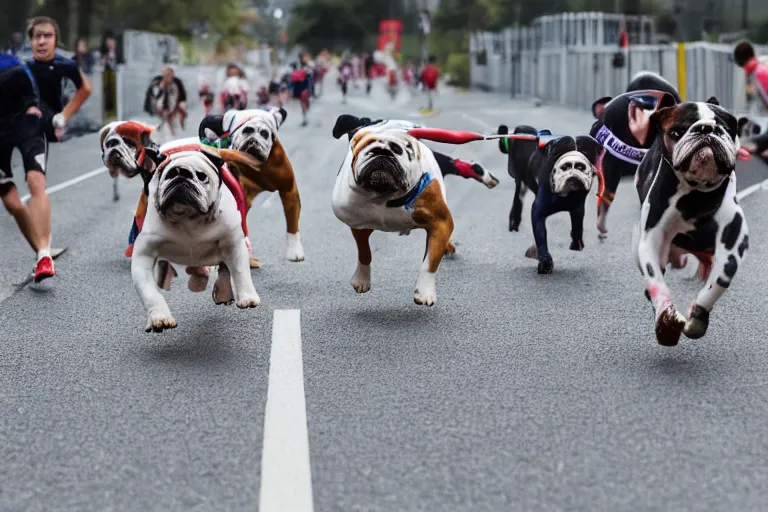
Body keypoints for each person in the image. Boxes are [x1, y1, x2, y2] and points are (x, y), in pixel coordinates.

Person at [23, 16, 92, 281]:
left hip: (39, 128)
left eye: (47, 36)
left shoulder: (65, 65)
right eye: (37, 36)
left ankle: (43, 256)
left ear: (55, 39)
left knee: (34, 183)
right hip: (14, 128)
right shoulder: (22, 68)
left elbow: (85, 89)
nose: (41, 41)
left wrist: (65, 115)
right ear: (30, 40)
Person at [0, 53, 55, 281]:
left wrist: (32, 103)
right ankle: (42, 255)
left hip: (26, 124)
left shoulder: (9, 63)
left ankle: (44, 254)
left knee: (35, 182)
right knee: (12, 203)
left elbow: (29, 81)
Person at [143, 65, 187, 133]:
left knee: (174, 129)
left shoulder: (176, 85)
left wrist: (178, 110)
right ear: (163, 75)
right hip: (159, 112)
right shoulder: (157, 85)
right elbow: (155, 99)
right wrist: (162, 89)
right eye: (167, 75)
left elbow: (179, 98)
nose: (169, 78)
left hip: (172, 111)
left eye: (170, 75)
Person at [289, 62, 311, 127]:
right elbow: (308, 83)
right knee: (304, 105)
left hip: (299, 92)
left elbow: (292, 85)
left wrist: (292, 93)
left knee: (303, 105)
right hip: (304, 92)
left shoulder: (294, 75)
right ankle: (305, 118)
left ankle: (305, 117)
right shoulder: (306, 74)